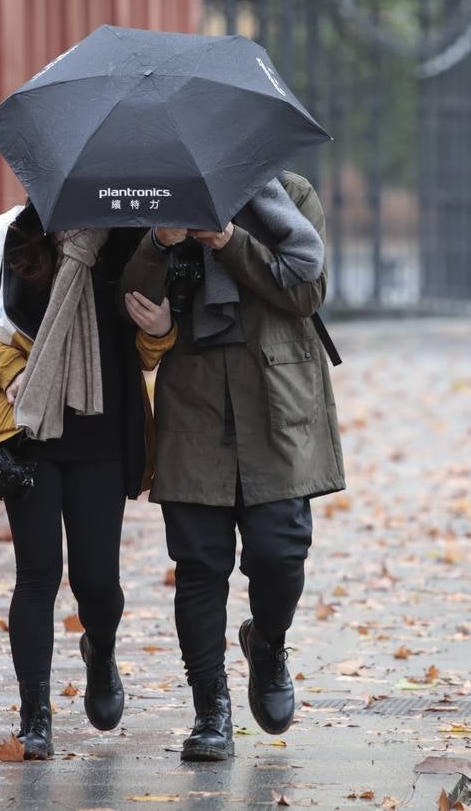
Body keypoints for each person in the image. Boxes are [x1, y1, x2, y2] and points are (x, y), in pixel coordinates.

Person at [119, 171, 345, 762]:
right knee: (198, 564)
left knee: (281, 551)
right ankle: (209, 711)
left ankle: (267, 643)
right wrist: (161, 243)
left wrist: (227, 242)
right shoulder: (160, 199)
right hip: (194, 403)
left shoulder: (289, 197)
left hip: (276, 401)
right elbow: (130, 301)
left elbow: (306, 292)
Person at [0, 204, 175, 760]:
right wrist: (13, 371)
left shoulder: (132, 245)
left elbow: (143, 352)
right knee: (37, 575)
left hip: (102, 436)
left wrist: (161, 330)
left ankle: (100, 650)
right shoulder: (7, 240)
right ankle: (35, 716)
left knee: (97, 583)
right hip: (27, 432)